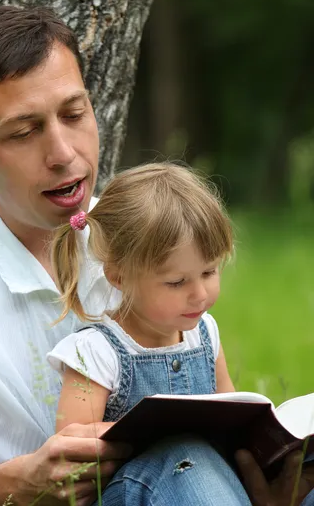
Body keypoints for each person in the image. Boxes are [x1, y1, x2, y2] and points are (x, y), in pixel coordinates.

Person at [0, 4, 312, 506]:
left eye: (74, 114)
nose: (63, 152)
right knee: (181, 464)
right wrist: (15, 484)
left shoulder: (140, 232)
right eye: (23, 132)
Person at [48, 162, 235, 430]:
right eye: (176, 282)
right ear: (119, 277)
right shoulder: (96, 353)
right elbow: (74, 451)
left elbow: (233, 412)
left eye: (209, 272)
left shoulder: (204, 335)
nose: (200, 295)